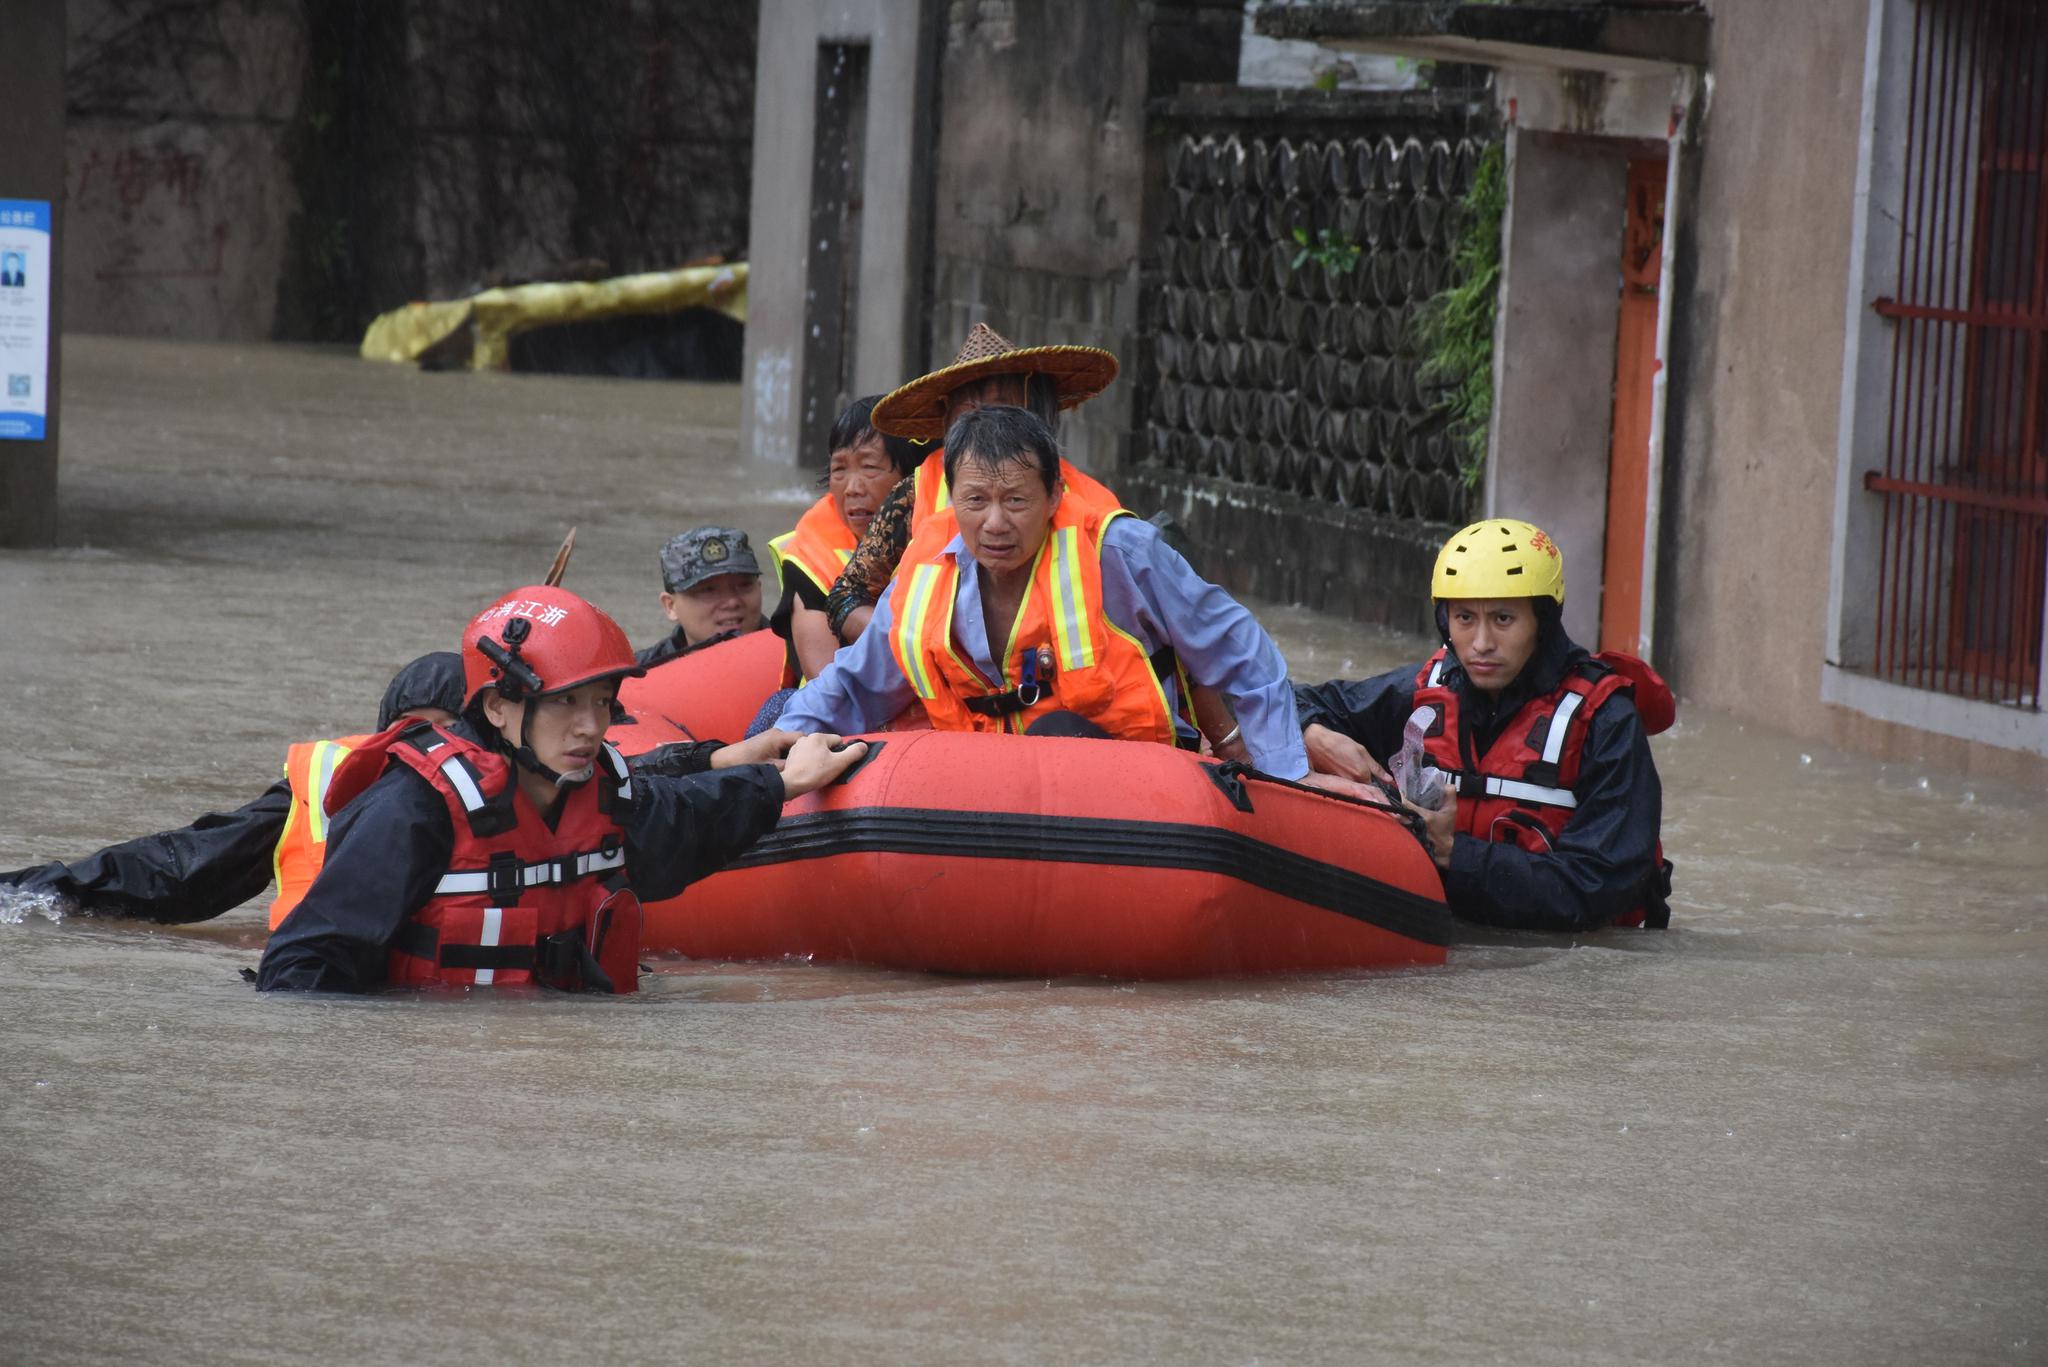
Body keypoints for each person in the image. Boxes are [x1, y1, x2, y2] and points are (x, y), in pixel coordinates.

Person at [256, 585, 865, 994]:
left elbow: (688, 817)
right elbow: (301, 969)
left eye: (602, 702)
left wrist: (780, 782)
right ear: (497, 708)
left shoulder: (601, 793)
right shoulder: (411, 811)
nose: (592, 727)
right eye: (566, 703)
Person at [777, 406, 1321, 779]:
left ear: (1054, 492)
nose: (994, 524)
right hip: (985, 777)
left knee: (1058, 732)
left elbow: (1241, 653)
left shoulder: (1120, 551)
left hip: (1136, 780)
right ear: (951, 498)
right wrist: (776, 744)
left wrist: (1286, 776)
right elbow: (854, 685)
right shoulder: (925, 566)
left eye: (1015, 501)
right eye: (975, 501)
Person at [1293, 518, 1674, 932]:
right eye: (1465, 618)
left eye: (1503, 619)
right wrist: (1315, 733)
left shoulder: (1607, 721)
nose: (1481, 644)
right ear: (1445, 621)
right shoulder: (1424, 691)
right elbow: (1288, 700)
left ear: (1542, 622)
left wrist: (1454, 854)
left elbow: (1599, 885)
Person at [0, 652, 467, 927]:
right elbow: (181, 868)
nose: (427, 747)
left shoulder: (531, 803)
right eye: (410, 730)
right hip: (316, 996)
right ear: (380, 737)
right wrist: (36, 891)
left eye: (446, 729)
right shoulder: (321, 786)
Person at [822, 323, 1121, 647]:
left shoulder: (1100, 511)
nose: (987, 428)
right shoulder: (917, 492)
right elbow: (845, 598)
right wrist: (914, 642)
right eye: (970, 414)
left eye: (1002, 411)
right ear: (949, 425)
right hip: (936, 687)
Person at [769, 395, 923, 681]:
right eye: (839, 469)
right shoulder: (810, 555)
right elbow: (824, 679)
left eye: (870, 467)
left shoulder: (947, 529)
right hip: (827, 709)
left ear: (911, 478)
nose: (852, 488)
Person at [636, 525, 769, 669]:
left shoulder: (793, 659)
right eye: (708, 591)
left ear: (759, 588)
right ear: (670, 606)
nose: (732, 602)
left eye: (744, 585)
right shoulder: (639, 675)